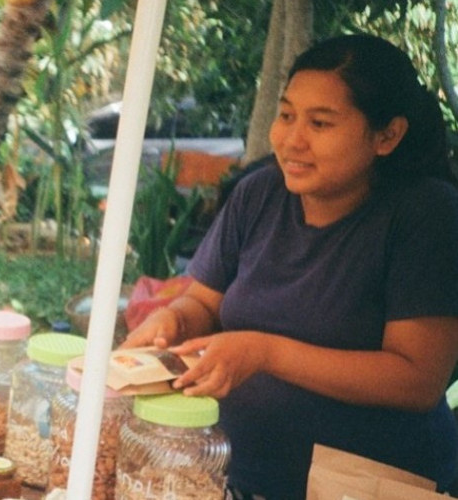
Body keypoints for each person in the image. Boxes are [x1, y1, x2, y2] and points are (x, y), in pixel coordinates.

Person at [121, 34, 458, 499]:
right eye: (286, 116)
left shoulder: (426, 214)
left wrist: (265, 352)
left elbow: (417, 378)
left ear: (387, 135)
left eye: (320, 123)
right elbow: (203, 301)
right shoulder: (259, 194)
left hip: (366, 485)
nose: (291, 140)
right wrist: (172, 320)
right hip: (235, 475)